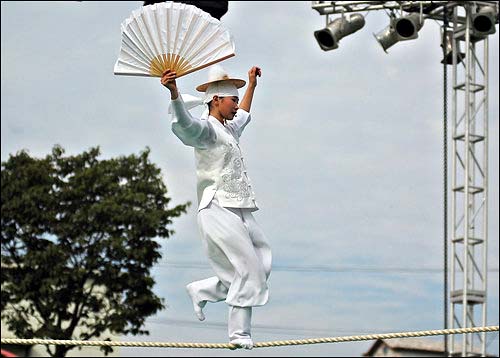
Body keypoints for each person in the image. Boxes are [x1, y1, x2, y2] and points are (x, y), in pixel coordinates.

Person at [160, 64, 272, 349]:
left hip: (240, 206)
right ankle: (238, 334)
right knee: (247, 269)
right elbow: (184, 125)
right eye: (232, 100)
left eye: (237, 99)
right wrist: (174, 92)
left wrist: (251, 85)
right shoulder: (206, 131)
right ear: (216, 100)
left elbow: (244, 114)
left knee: (261, 264)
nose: (237, 105)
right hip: (217, 207)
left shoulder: (229, 128)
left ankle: (203, 290)